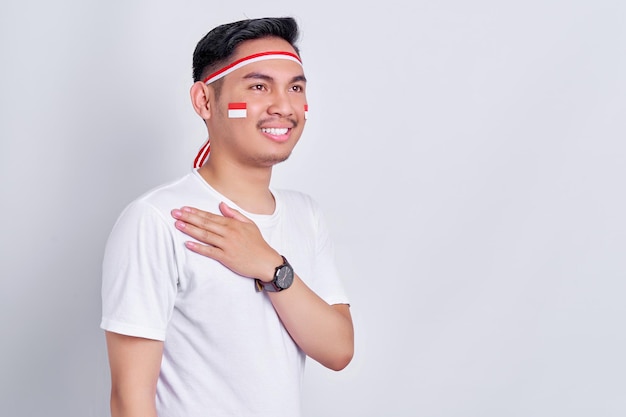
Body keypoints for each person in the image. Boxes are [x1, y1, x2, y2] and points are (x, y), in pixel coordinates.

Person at [100, 17, 354, 417]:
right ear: (204, 101)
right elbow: (130, 399)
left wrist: (270, 265)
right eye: (258, 86)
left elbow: (338, 349)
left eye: (295, 87)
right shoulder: (156, 220)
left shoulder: (306, 214)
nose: (284, 106)